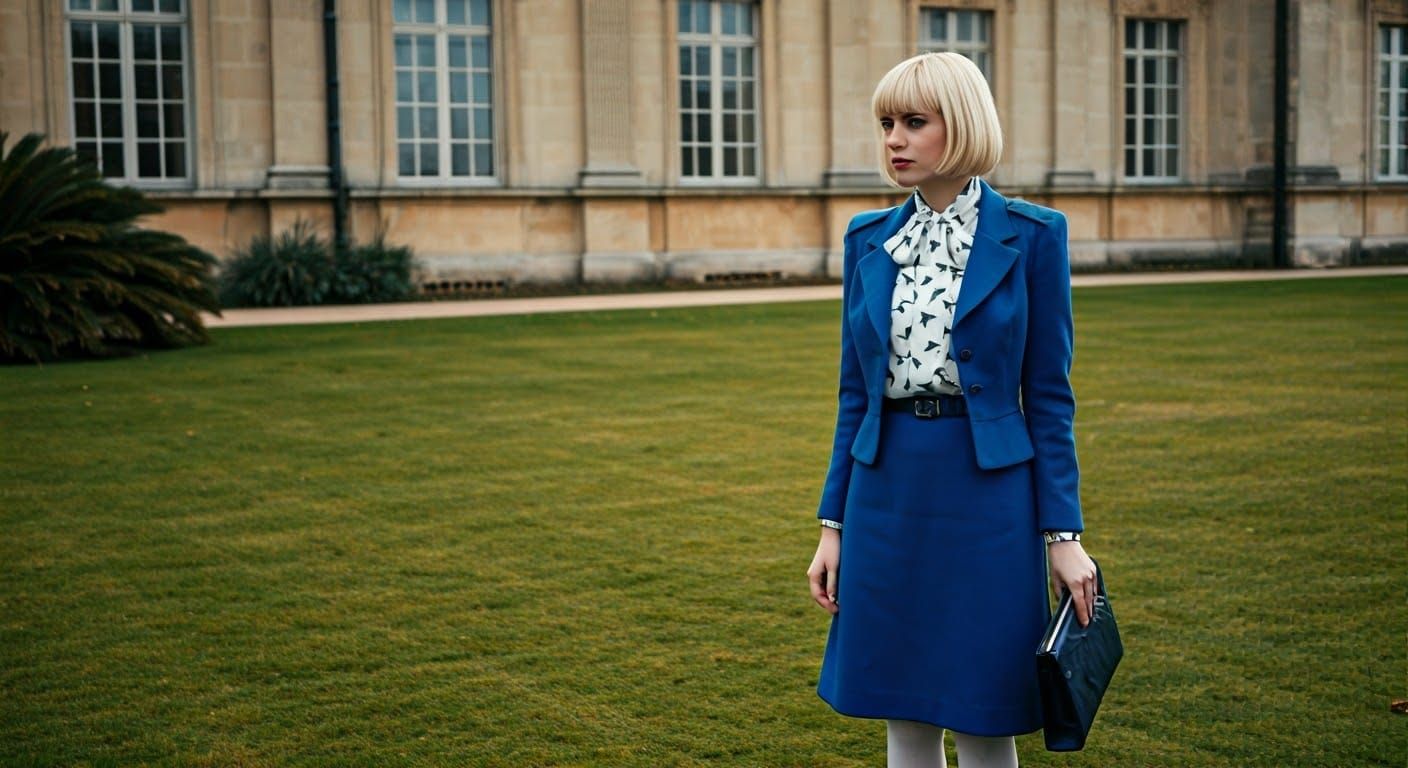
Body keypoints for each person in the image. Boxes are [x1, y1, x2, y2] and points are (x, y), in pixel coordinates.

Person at [805, 52, 1098, 768]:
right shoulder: (868, 238)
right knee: (903, 711)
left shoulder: (1034, 235)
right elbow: (854, 395)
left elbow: (1049, 399)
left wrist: (1063, 536)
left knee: (984, 713)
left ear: (961, 125)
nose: (894, 140)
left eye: (913, 122)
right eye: (886, 124)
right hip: (886, 494)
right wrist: (832, 526)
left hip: (989, 497)